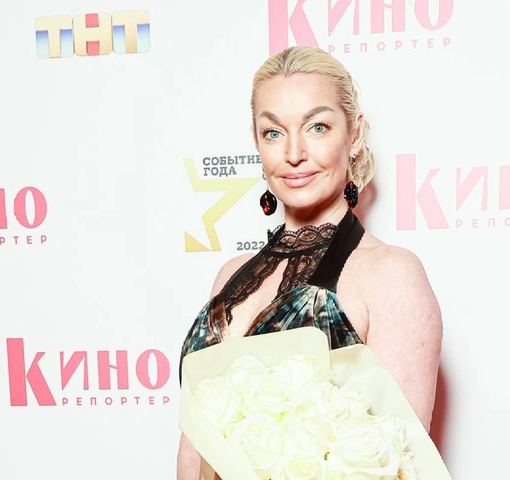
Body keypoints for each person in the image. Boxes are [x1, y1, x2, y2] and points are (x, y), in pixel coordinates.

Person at [176, 45, 442, 480]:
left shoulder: (391, 275)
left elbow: (403, 465)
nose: (294, 153)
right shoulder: (229, 276)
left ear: (354, 134)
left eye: (317, 127)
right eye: (273, 132)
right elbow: (192, 452)